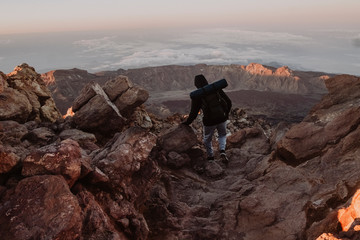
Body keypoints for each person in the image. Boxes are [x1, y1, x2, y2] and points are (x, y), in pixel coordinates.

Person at [182, 74, 232, 163]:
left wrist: (187, 123)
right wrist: (226, 114)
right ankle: (222, 151)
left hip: (209, 121)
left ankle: (210, 157)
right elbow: (228, 102)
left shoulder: (197, 96)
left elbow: (194, 112)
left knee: (207, 139)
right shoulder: (215, 89)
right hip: (222, 117)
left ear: (196, 85)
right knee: (222, 134)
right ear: (206, 81)